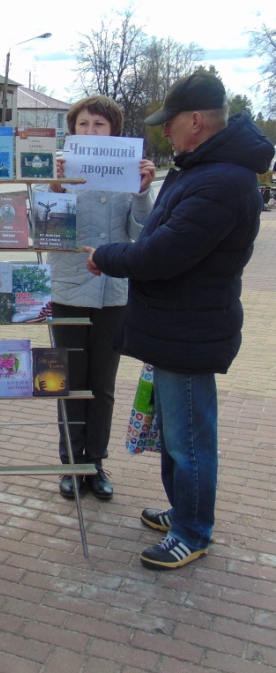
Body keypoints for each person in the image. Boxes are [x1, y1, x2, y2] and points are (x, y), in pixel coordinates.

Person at [86, 71, 274, 569]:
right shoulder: (203, 169)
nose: (164, 131)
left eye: (170, 122)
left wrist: (105, 256)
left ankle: (193, 531)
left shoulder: (222, 181)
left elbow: (163, 253)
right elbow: (158, 234)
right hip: (177, 325)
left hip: (190, 329)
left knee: (190, 439)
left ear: (196, 121)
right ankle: (183, 511)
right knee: (177, 435)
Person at [48, 96, 156, 501]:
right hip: (69, 290)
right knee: (68, 382)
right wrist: (56, 189)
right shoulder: (59, 172)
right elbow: (45, 232)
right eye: (83, 124)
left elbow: (142, 236)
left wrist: (143, 192)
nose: (91, 131)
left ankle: (95, 464)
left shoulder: (128, 173)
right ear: (72, 130)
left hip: (113, 293)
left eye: (100, 124)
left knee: (103, 385)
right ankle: (71, 464)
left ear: (114, 132)